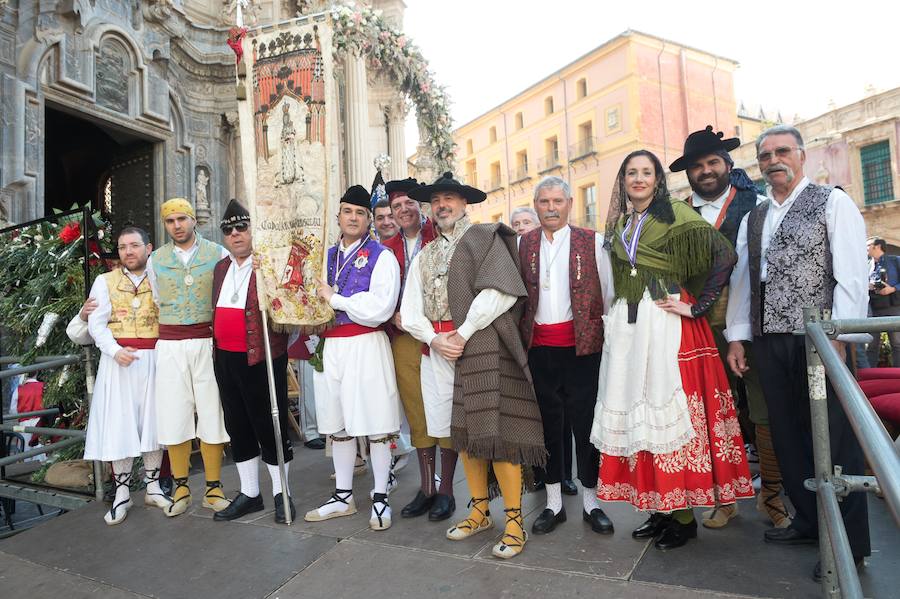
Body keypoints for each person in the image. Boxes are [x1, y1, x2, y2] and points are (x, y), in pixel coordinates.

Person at [726, 125, 871, 581]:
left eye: (782, 151)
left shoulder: (832, 201)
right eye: (765, 154)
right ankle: (809, 522)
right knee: (787, 435)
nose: (773, 160)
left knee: (833, 439)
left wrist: (843, 338)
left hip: (818, 338)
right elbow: (745, 280)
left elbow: (850, 273)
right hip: (770, 340)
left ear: (801, 156)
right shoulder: (757, 215)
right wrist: (737, 335)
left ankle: (850, 542)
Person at [589, 150, 753, 551]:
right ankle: (660, 510)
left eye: (647, 172)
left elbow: (724, 255)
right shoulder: (623, 223)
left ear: (658, 179)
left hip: (667, 326)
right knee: (640, 413)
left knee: (670, 413)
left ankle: (683, 518)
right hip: (631, 329)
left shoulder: (674, 213)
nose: (639, 179)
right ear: (623, 181)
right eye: (632, 173)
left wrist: (695, 305)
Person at [402, 172, 546, 559]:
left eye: (449, 198)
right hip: (439, 349)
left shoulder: (485, 237)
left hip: (479, 342)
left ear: (465, 203)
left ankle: (515, 521)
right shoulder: (425, 254)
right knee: (461, 433)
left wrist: (461, 334)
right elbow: (409, 310)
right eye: (436, 200)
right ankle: (480, 510)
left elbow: (500, 291)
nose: (442, 205)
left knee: (494, 432)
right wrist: (434, 340)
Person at [671, 126, 790, 530]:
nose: (705, 171)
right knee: (711, 414)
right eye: (697, 166)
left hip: (754, 325)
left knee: (764, 409)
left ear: (726, 165)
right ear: (688, 172)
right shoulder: (676, 213)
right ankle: (723, 496)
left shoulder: (757, 204)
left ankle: (770, 496)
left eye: (712, 163)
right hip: (697, 329)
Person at [518, 176, 614, 537]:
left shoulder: (593, 242)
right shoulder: (522, 244)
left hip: (582, 349)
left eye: (558, 201)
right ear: (536, 205)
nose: (551, 208)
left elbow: (609, 293)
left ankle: (592, 501)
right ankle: (554, 503)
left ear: (570, 204)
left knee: (585, 423)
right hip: (540, 349)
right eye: (544, 202)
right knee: (549, 426)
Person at [304, 185, 402, 531]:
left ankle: (380, 497)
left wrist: (336, 299)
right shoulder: (323, 256)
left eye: (361, 213)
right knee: (337, 424)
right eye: (348, 211)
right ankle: (343, 496)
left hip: (366, 344)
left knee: (375, 423)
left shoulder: (382, 256)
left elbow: (380, 308)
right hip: (331, 346)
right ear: (339, 216)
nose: (354, 218)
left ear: (369, 219)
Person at [210, 200, 296, 523]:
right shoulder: (221, 268)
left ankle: (280, 492)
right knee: (237, 424)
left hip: (260, 357)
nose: (235, 234)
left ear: (252, 230)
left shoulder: (269, 265)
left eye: (241, 227)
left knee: (269, 424)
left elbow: (286, 307)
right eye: (228, 229)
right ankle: (249, 493)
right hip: (225, 357)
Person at [381, 177, 458, 521]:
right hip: (403, 339)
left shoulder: (438, 236)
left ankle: (447, 490)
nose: (403, 210)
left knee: (443, 407)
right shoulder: (387, 248)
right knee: (416, 412)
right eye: (397, 206)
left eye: (409, 203)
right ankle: (427, 487)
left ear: (420, 206)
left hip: (441, 334)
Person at [148, 198, 231, 517]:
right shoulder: (156, 259)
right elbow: (156, 299)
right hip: (170, 343)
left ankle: (213, 488)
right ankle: (181, 487)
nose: (177, 226)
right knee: (174, 412)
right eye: (170, 221)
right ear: (165, 225)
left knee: (212, 410)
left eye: (182, 219)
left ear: (194, 220)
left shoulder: (218, 253)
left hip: (207, 340)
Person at [83, 226, 170, 525]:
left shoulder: (161, 277)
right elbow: (96, 323)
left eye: (134, 246)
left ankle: (154, 487)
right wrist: (113, 349)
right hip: (118, 361)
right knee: (119, 425)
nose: (128, 252)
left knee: (154, 423)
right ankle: (122, 493)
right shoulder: (104, 281)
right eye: (122, 247)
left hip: (156, 358)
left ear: (149, 248)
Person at [865, 237, 900, 366]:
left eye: (868, 246)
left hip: (893, 308)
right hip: (873, 309)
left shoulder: (895, 261)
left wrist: (892, 289)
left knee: (897, 345)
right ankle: (870, 377)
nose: (866, 249)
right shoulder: (867, 265)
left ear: (877, 246)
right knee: (871, 346)